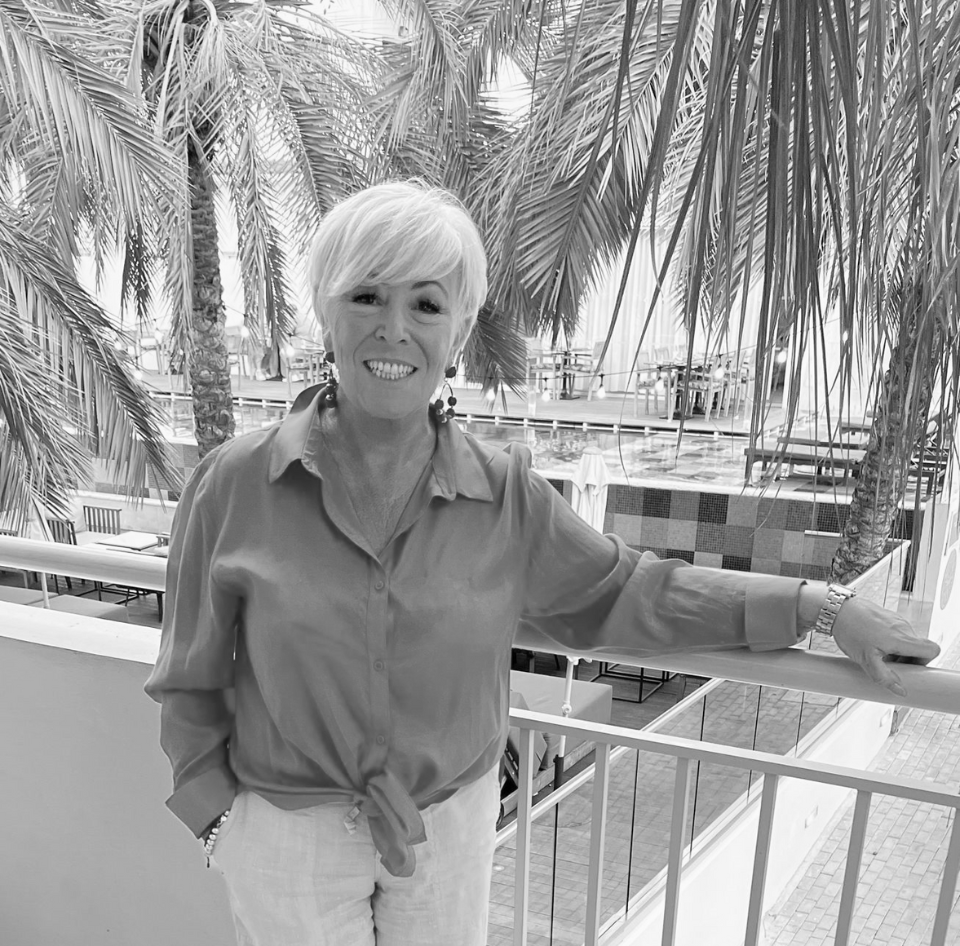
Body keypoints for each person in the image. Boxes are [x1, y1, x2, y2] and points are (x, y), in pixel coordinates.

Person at [145, 180, 940, 946]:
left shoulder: (505, 495)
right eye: (366, 296)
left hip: (445, 835)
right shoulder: (236, 483)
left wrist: (816, 607)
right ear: (327, 315)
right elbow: (190, 673)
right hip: (287, 837)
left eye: (426, 303)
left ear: (457, 334)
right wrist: (222, 818)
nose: (394, 328)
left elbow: (629, 593)